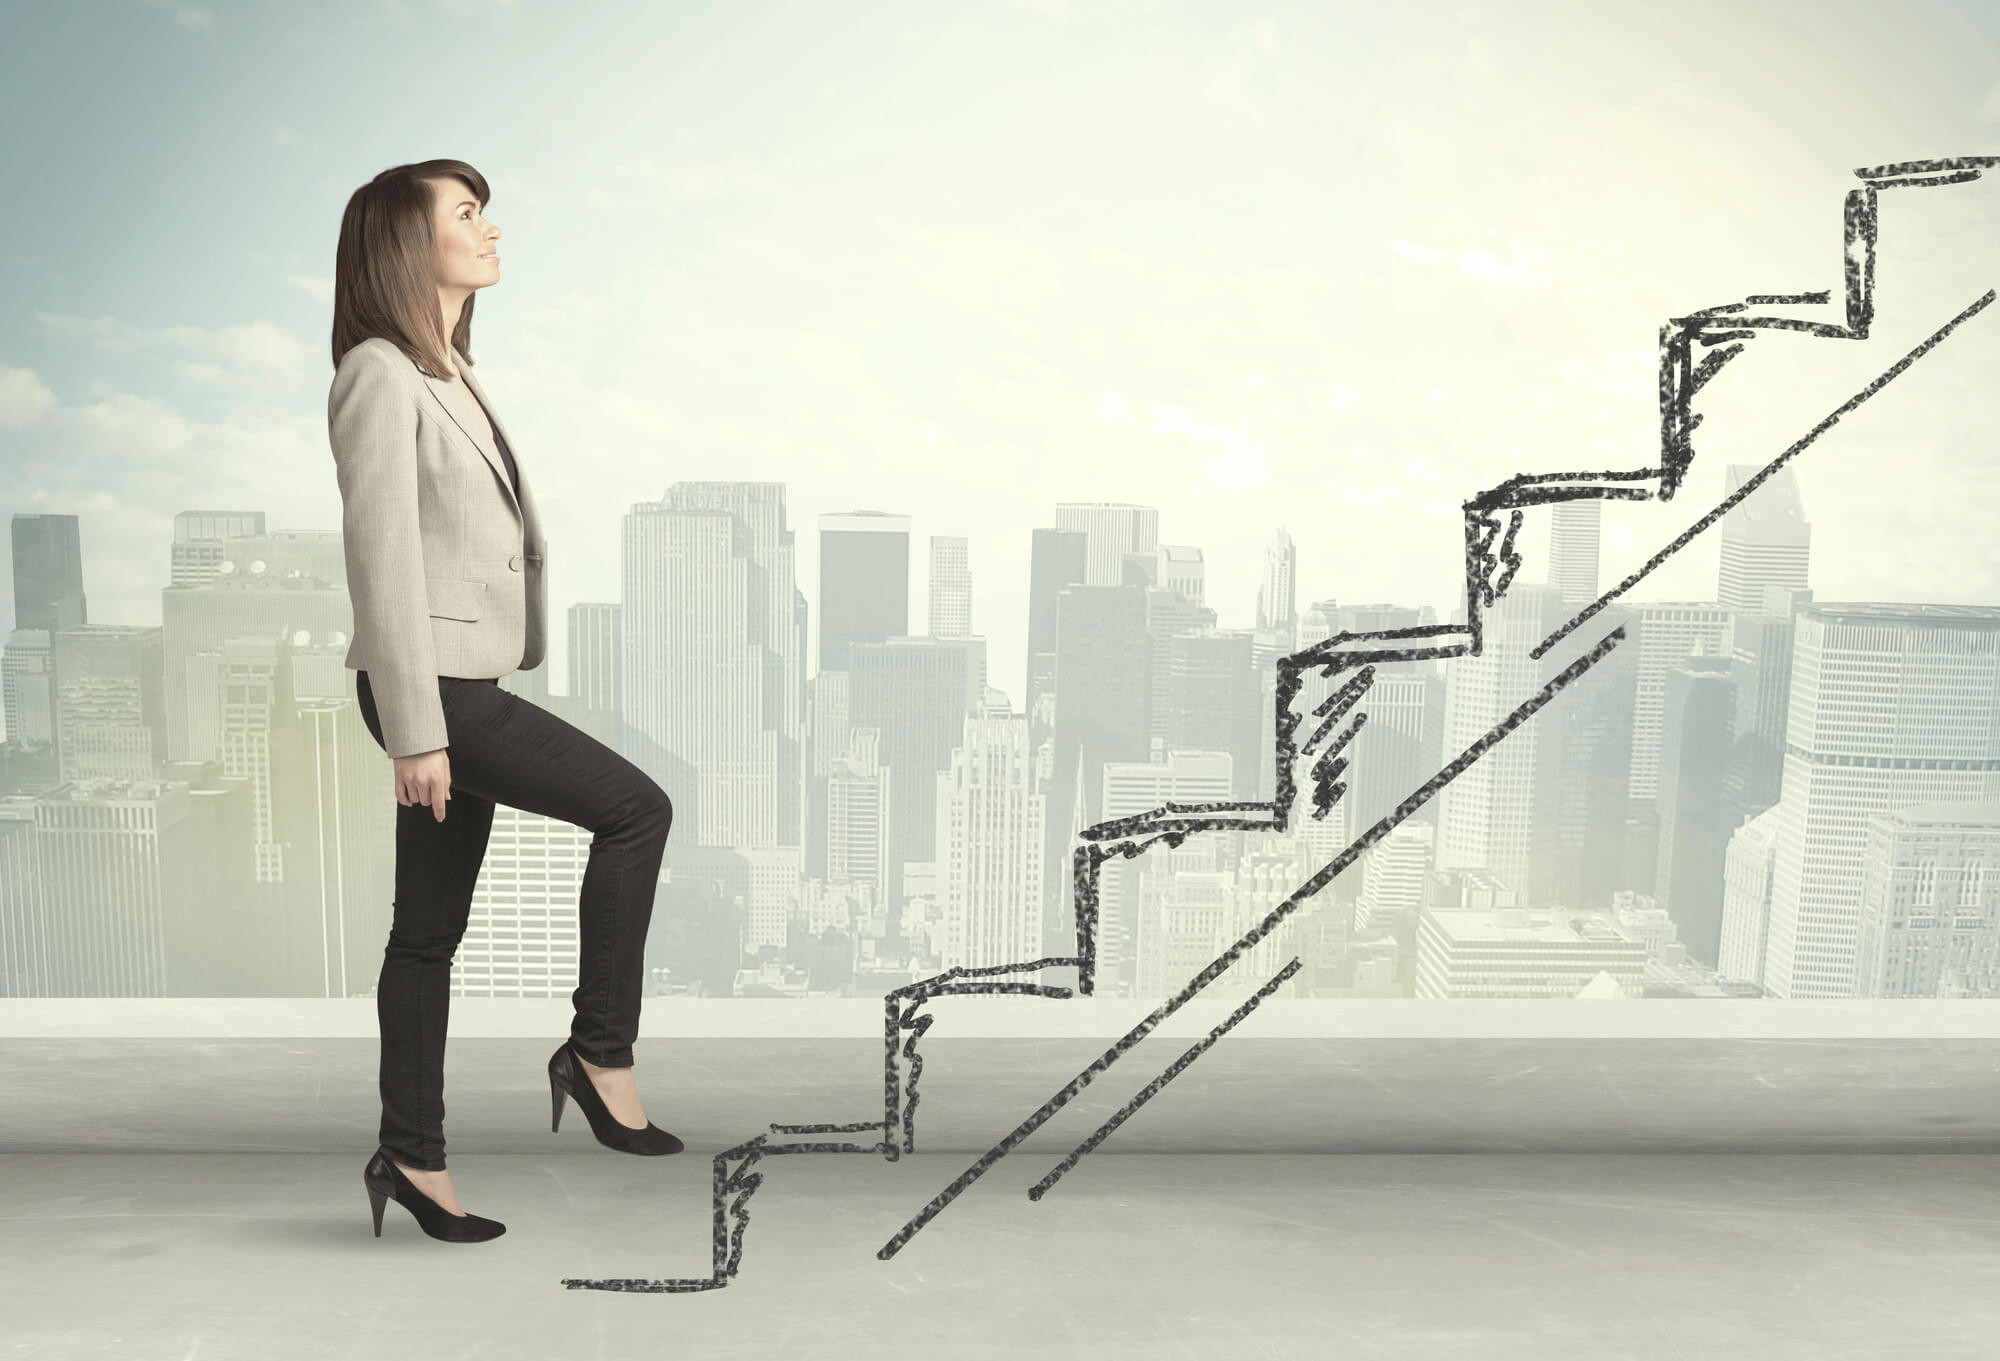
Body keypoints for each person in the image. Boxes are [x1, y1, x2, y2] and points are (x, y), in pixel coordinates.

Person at [327, 159, 683, 1245]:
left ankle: (413, 1155)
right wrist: (418, 731)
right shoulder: (381, 374)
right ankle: (598, 1052)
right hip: (430, 688)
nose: (490, 231)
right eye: (466, 215)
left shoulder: (446, 369)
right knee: (635, 809)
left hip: (458, 678)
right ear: (405, 241)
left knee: (425, 934)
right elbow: (380, 556)